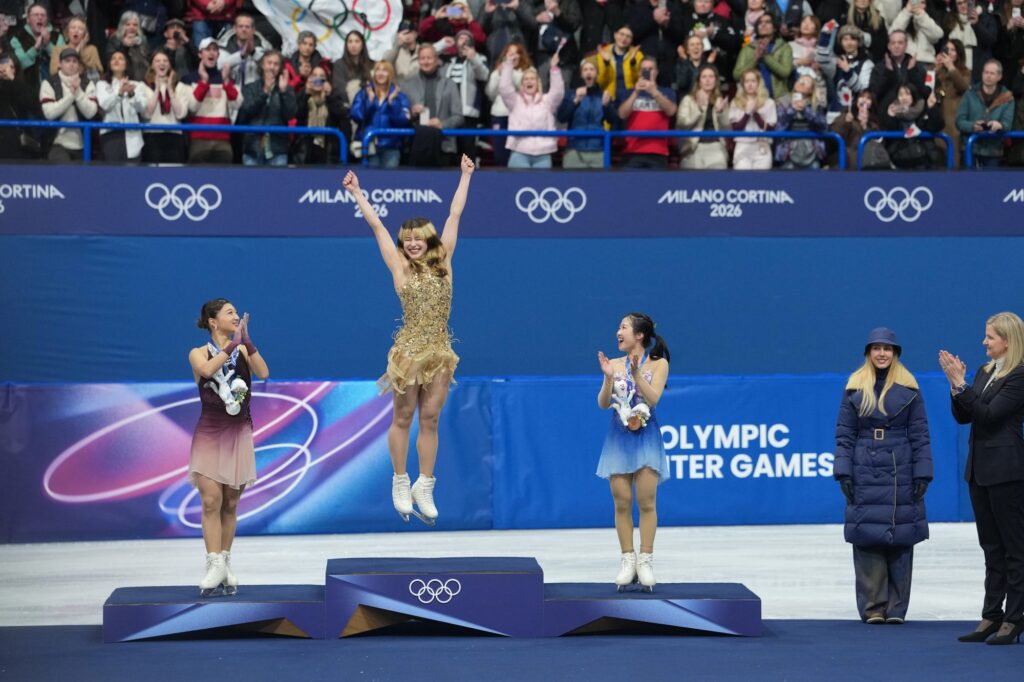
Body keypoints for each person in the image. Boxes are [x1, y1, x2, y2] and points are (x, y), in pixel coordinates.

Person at [341, 155, 476, 526]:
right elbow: (377, 227)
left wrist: (465, 176)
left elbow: (454, 215)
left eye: (419, 239)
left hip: (440, 352)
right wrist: (357, 193)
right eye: (408, 240)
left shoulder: (445, 261)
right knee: (403, 416)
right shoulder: (398, 266)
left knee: (430, 418)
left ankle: (425, 484)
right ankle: (400, 480)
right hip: (408, 352)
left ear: (430, 241)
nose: (413, 243)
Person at [834, 328, 932, 625]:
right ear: (868, 353)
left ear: (896, 353)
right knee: (867, 534)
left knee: (901, 534)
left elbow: (920, 434)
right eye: (876, 348)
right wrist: (843, 471)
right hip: (864, 462)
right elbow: (844, 434)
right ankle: (873, 607)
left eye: (887, 349)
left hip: (900, 463)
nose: (881, 353)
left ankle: (896, 609)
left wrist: (923, 473)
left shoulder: (909, 388)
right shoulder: (854, 387)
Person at [940, 312, 1024, 645]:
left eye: (990, 337)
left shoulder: (1019, 375)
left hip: (1007, 470)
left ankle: (1015, 619)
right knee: (991, 547)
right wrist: (955, 384)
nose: (984, 342)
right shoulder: (987, 372)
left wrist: (962, 384)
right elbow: (964, 415)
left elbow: (989, 416)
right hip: (979, 469)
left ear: (1008, 340)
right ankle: (992, 615)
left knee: (1014, 548)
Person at [188, 299, 269, 596]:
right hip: (210, 434)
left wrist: (247, 343)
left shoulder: (244, 350)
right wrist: (230, 347)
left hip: (239, 434)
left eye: (237, 313)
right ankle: (213, 564)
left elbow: (263, 373)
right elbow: (208, 371)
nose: (236, 316)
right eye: (230, 313)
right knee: (211, 500)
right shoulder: (197, 353)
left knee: (231, 504)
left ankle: (224, 562)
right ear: (212, 321)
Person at [596, 313, 670, 592]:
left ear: (639, 335)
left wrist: (637, 374)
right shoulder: (613, 364)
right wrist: (607, 379)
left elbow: (653, 399)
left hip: (647, 439)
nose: (618, 331)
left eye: (623, 327)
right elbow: (603, 404)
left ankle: (646, 561)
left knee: (646, 501)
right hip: (618, 440)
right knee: (622, 502)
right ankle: (628, 560)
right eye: (618, 327)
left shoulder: (659, 363)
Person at [498, 50, 563, 168]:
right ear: (522, 84)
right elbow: (504, 88)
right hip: (519, 151)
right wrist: (508, 65)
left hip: (543, 153)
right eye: (526, 79)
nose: (529, 81)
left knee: (541, 186)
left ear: (538, 83)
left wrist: (554, 69)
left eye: (532, 78)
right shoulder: (515, 101)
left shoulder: (547, 101)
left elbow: (558, 92)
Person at [404, 44, 464, 166]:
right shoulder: (408, 85)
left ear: (436, 60)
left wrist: (442, 124)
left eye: (429, 58)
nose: (426, 61)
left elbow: (458, 116)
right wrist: (411, 113)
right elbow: (400, 115)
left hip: (443, 144)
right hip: (416, 144)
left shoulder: (450, 84)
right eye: (422, 58)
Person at [183, 37, 242, 163]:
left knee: (223, 180)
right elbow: (192, 107)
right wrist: (204, 82)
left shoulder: (226, 78)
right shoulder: (188, 79)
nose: (211, 53)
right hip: (199, 139)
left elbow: (237, 104)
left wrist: (226, 82)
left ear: (218, 55)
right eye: (207, 49)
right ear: (200, 54)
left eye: (215, 49)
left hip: (223, 140)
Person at [236, 49, 296, 166]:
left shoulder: (287, 89)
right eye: (269, 63)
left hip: (277, 148)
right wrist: (264, 92)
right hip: (252, 147)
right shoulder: (250, 88)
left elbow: (291, 114)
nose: (272, 67)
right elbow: (247, 109)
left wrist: (283, 92)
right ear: (262, 65)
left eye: (276, 64)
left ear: (280, 68)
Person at [617, 56, 678, 168]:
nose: (647, 72)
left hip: (658, 152)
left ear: (656, 72)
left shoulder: (667, 92)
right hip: (632, 151)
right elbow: (622, 114)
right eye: (644, 69)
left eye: (651, 69)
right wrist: (635, 93)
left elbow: (671, 111)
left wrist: (655, 93)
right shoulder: (629, 92)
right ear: (639, 72)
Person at [350, 60, 412, 168]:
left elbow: (403, 121)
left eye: (384, 70)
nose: (380, 73)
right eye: (377, 70)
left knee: (389, 183)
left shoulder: (400, 97)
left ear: (390, 73)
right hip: (368, 146)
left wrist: (392, 103)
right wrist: (370, 101)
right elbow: (356, 116)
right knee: (370, 183)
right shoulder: (364, 93)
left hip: (391, 147)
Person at [40, 47, 98, 161]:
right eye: (67, 61)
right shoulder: (49, 83)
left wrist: (78, 92)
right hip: (57, 144)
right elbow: (49, 113)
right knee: (63, 175)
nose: (71, 64)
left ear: (78, 65)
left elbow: (91, 113)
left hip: (83, 145)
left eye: (74, 61)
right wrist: (70, 95)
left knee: (81, 178)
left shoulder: (87, 83)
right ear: (60, 64)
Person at [956, 59, 1015, 168]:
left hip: (993, 150)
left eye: (992, 73)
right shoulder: (970, 94)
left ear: (999, 76)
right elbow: (959, 121)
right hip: (970, 148)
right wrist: (972, 126)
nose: (988, 76)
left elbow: (1007, 123)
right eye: (986, 72)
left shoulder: (1007, 97)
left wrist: (1000, 125)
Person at [557, 57, 614, 168]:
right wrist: (575, 101)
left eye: (592, 69)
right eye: (585, 69)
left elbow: (614, 120)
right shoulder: (571, 94)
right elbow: (561, 117)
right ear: (581, 74)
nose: (588, 72)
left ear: (597, 73)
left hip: (598, 151)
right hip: (574, 150)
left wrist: (607, 106)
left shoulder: (603, 96)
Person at [96, 48, 147, 162]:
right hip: (111, 135)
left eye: (120, 58)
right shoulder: (102, 85)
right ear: (109, 64)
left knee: (133, 174)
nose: (116, 61)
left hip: (133, 134)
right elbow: (104, 104)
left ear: (127, 64)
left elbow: (142, 107)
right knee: (113, 175)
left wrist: (131, 94)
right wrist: (119, 93)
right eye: (113, 59)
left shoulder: (137, 85)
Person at [141, 49, 191, 163]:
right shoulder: (144, 86)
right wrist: (157, 89)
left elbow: (180, 114)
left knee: (175, 176)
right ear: (152, 65)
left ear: (170, 65)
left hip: (175, 136)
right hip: (152, 136)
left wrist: (170, 89)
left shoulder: (180, 86)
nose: (161, 63)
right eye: (157, 61)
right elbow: (146, 114)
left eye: (165, 60)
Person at [485, 41, 531, 166]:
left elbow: (522, 87)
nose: (513, 57)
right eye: (510, 54)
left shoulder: (528, 71)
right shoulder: (497, 71)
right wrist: (497, 74)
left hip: (518, 116)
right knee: (500, 153)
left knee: (517, 153)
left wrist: (508, 71)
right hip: (499, 115)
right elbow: (490, 93)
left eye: (516, 54)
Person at [293, 64, 349, 165]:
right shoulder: (302, 95)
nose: (318, 79)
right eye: (314, 75)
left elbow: (342, 117)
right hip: (306, 150)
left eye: (322, 77)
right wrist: (306, 94)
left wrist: (330, 96)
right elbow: (296, 115)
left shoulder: (335, 96)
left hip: (328, 150)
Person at [676, 64, 729, 169]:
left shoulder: (720, 101)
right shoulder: (688, 100)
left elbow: (728, 129)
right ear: (699, 81)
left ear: (716, 80)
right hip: (693, 147)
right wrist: (699, 109)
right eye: (704, 77)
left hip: (716, 147)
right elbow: (681, 124)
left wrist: (721, 112)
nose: (707, 80)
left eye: (711, 76)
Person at [880, 82, 944, 169]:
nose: (904, 98)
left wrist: (932, 108)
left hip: (925, 162)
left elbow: (938, 126)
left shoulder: (923, 110)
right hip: (899, 163)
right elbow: (888, 137)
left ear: (914, 96)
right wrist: (890, 117)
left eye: (908, 94)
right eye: (901, 94)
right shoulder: (893, 113)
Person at [733, 12, 793, 102]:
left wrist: (765, 56)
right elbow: (737, 75)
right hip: (753, 100)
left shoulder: (784, 47)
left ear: (775, 27)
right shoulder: (748, 49)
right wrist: (755, 59)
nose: (763, 24)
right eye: (760, 23)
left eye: (768, 22)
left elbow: (785, 72)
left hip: (779, 99)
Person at [774, 74, 827, 169]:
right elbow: (778, 128)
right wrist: (791, 110)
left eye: (806, 82)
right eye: (799, 80)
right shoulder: (784, 101)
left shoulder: (815, 104)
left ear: (811, 90)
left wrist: (806, 110)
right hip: (788, 153)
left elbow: (823, 127)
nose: (801, 83)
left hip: (811, 152)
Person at [729, 68, 777, 169]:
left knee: (761, 182)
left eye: (753, 81)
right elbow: (736, 129)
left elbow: (770, 129)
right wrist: (747, 113)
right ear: (742, 84)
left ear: (759, 83)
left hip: (762, 146)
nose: (750, 84)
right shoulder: (735, 102)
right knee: (742, 182)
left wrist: (755, 113)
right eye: (747, 81)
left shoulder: (769, 102)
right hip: (743, 146)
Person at [934, 38, 971, 167]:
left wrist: (951, 68)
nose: (949, 52)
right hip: (937, 120)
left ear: (959, 54)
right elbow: (926, 88)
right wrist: (936, 69)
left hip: (953, 124)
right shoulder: (937, 71)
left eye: (953, 50)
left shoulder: (964, 72)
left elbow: (963, 87)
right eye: (947, 49)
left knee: (953, 163)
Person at [869, 29, 927, 109]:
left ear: (906, 45)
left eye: (900, 43)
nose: (896, 46)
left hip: (912, 112)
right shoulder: (879, 68)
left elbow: (923, 92)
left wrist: (912, 72)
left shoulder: (916, 66)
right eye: (893, 43)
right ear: (889, 46)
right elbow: (875, 93)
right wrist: (888, 73)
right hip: (887, 111)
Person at [11, 3, 63, 89]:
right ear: (28, 19)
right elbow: (19, 65)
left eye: (43, 15)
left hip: (54, 87)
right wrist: (35, 48)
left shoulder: (57, 36)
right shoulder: (17, 38)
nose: (40, 17)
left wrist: (47, 45)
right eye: (35, 15)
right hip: (26, 88)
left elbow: (63, 61)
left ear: (47, 19)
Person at [593, 23, 643, 110]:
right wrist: (606, 63)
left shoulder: (637, 55)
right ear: (615, 35)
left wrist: (633, 63)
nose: (624, 39)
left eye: (628, 36)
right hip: (610, 99)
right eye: (621, 34)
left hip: (629, 99)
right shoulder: (603, 53)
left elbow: (640, 81)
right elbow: (600, 82)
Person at [49, 15, 102, 85]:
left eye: (80, 29)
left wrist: (81, 51)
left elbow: (98, 70)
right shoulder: (58, 50)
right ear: (67, 32)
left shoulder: (91, 49)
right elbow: (53, 71)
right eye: (73, 28)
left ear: (85, 34)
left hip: (86, 87)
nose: (76, 31)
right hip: (63, 87)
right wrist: (76, 52)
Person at [330, 30, 373, 108]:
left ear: (362, 44)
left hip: (370, 104)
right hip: (347, 106)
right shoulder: (339, 64)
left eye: (357, 41)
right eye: (350, 42)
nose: (353, 45)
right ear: (346, 45)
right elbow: (340, 88)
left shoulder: (372, 64)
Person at [106, 11, 151, 81]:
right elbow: (110, 61)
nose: (131, 27)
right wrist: (124, 47)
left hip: (142, 80)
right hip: (121, 80)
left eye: (135, 25)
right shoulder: (115, 39)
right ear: (122, 26)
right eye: (128, 24)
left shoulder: (143, 40)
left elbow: (149, 59)